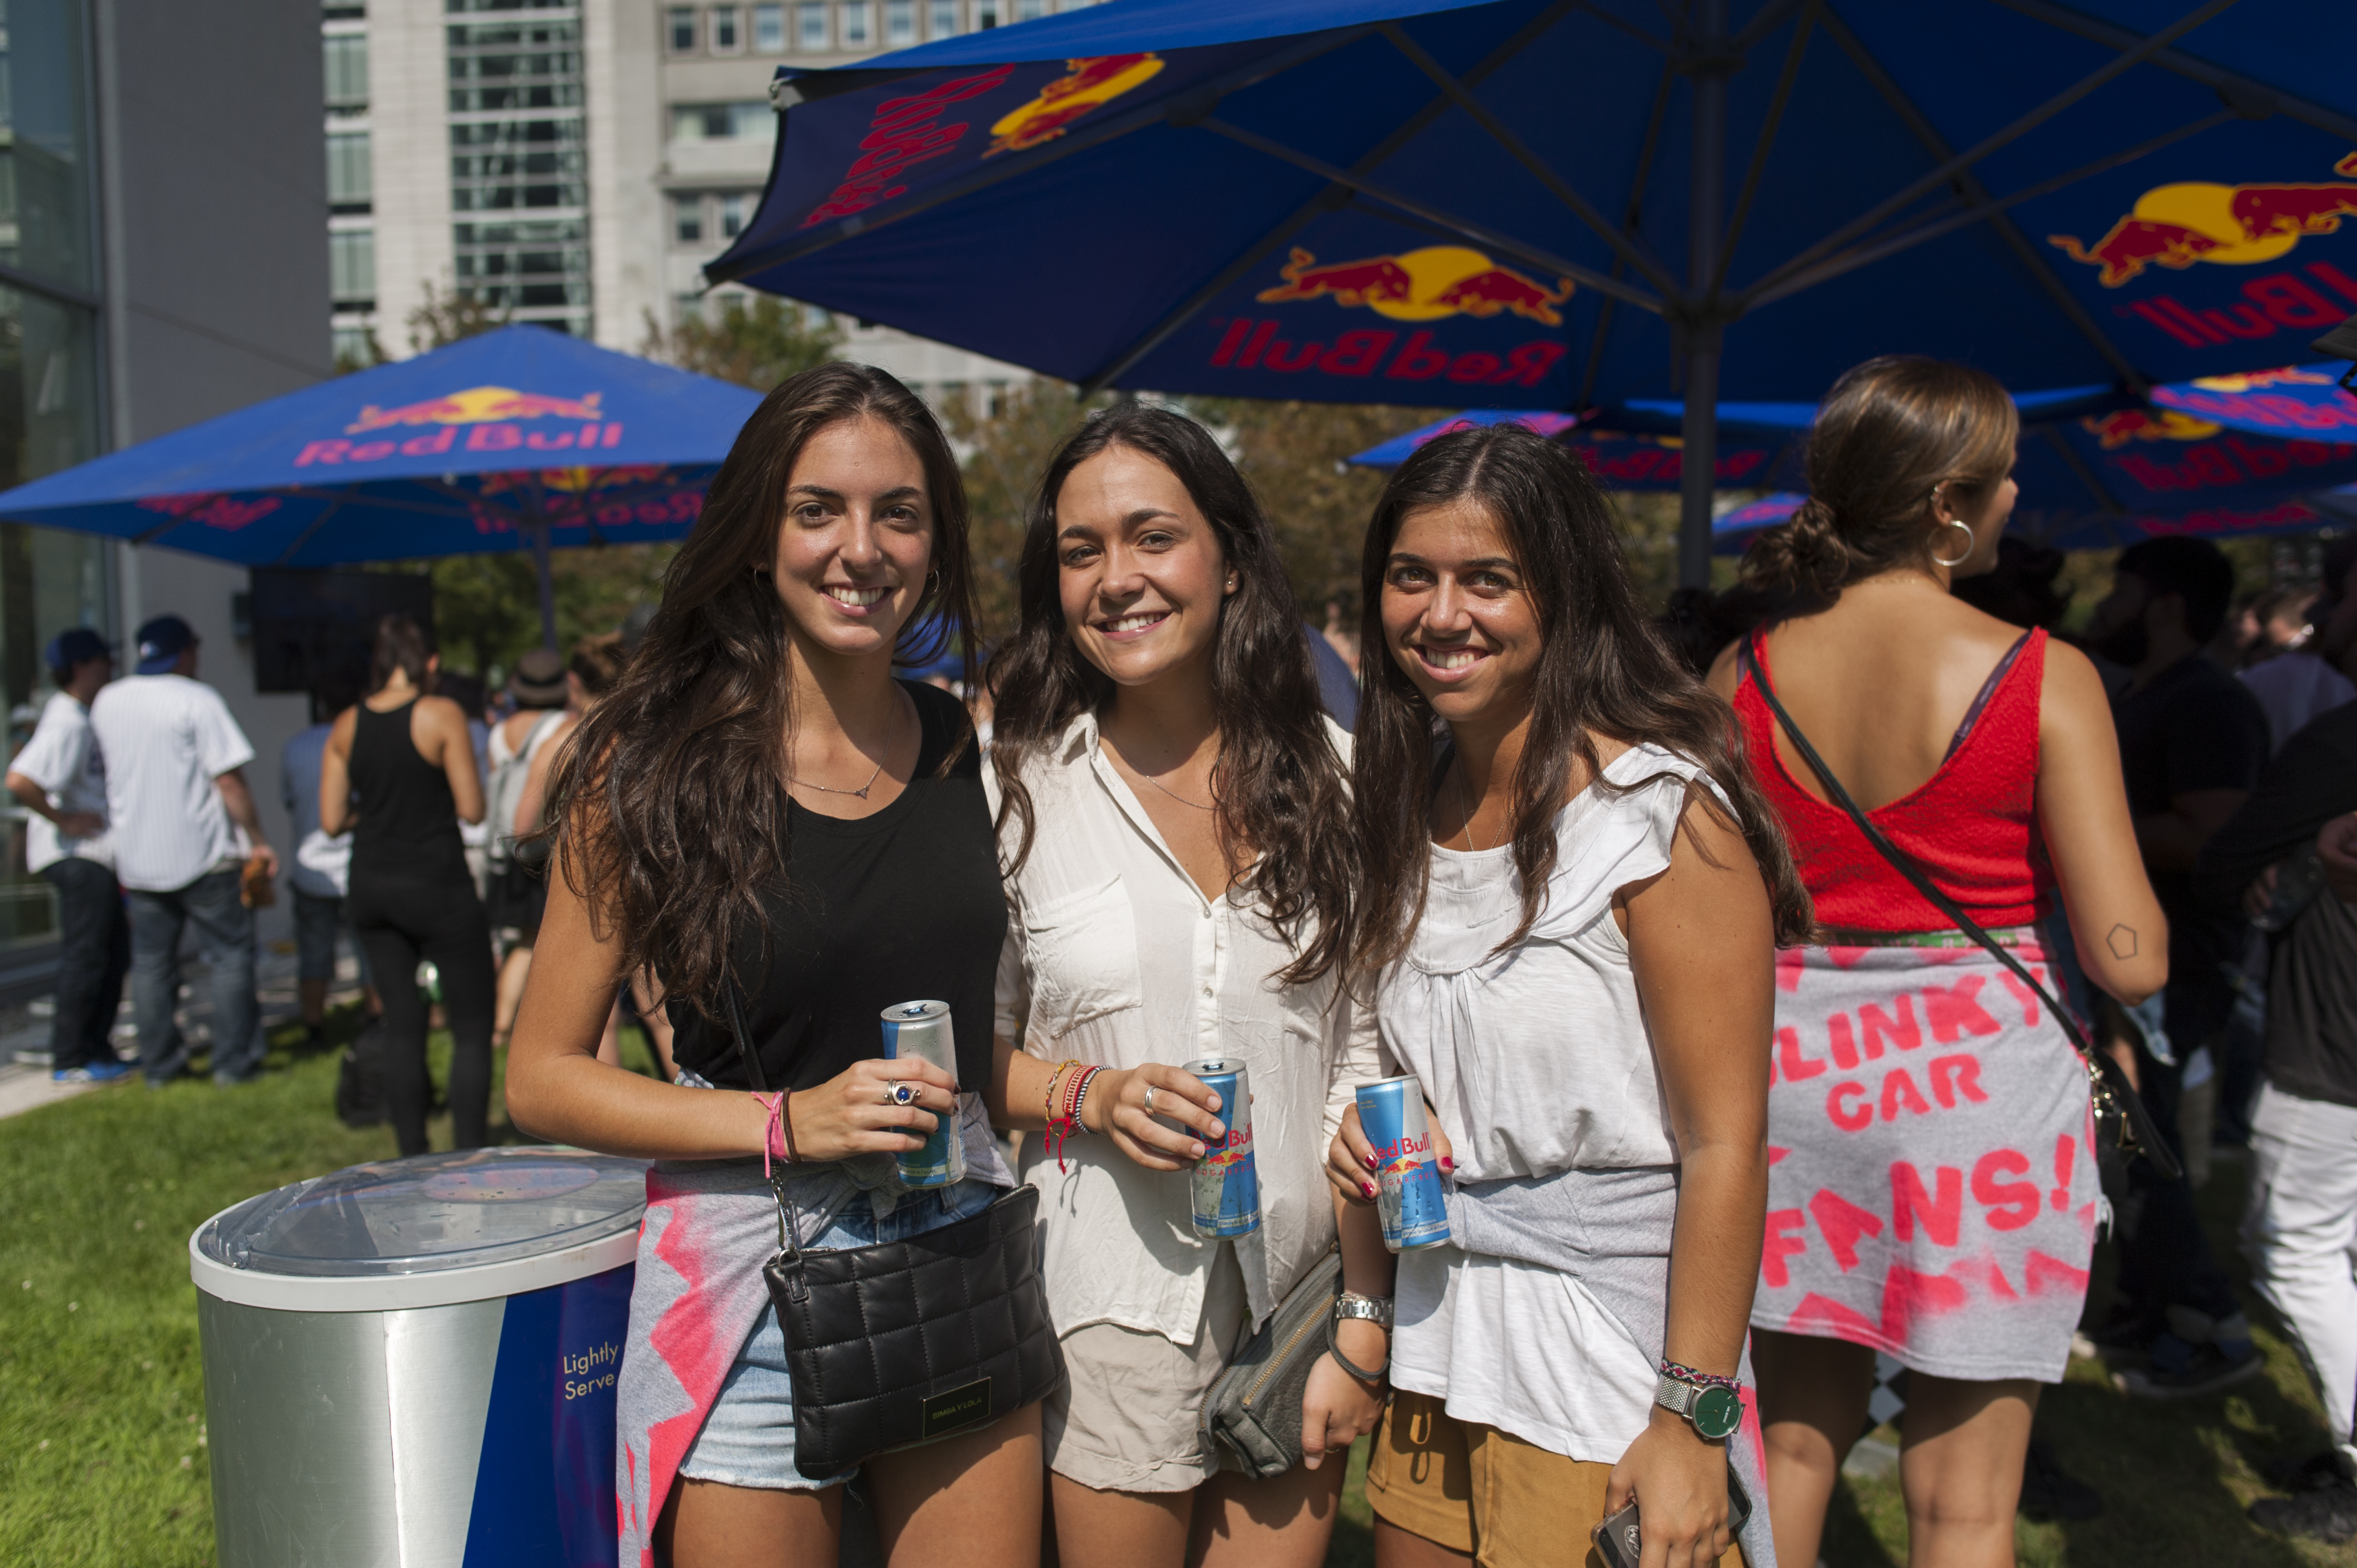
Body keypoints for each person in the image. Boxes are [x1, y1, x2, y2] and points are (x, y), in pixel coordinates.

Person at [502, 363, 1042, 1568]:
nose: (862, 549)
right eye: (818, 511)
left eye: (898, 513)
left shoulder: (963, 746)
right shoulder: (642, 771)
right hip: (753, 1276)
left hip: (959, 1251)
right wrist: (788, 1120)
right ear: (757, 536)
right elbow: (539, 1076)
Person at [1705, 357, 2167, 1568]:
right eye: (2005, 475)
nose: (2021, 493)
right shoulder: (2042, 675)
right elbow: (2128, 959)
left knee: (1787, 1452)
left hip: (1787, 1084)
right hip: (1982, 1115)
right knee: (1964, 1507)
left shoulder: (1738, 675)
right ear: (1949, 508)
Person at [1332, 422, 1802, 1568]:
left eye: (1487, 580)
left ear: (1564, 594)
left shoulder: (1658, 818)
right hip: (1445, 1341)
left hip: (1610, 1360)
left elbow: (1725, 1146)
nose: (1443, 615)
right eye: (1412, 577)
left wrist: (1692, 1419)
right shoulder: (1406, 801)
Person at [981, 406, 1386, 1567]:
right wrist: (1088, 1098)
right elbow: (968, 1054)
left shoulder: (1346, 783)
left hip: (1301, 1303)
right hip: (1109, 1303)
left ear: (1228, 557)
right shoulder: (1018, 798)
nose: (1117, 578)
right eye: (1080, 550)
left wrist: (1361, 1319)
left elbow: (1365, 1062)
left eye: (1152, 537)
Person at [2081, 535, 2270, 1395]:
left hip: (2174, 963)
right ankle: (2156, 1312)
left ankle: (2209, 1327)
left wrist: (2081, 826)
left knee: (2138, 1138)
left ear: (2162, 605)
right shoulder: (2147, 694)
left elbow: (2213, 832)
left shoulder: (2207, 704)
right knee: (2127, 1131)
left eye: (2118, 590)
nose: (2102, 608)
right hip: (2133, 957)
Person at [2194, 703, 2357, 1540]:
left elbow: (2224, 864)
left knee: (2291, 1249)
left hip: (2333, 1053)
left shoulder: (2340, 741)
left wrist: (2280, 866)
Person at [320, 615, 493, 1157]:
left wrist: (373, 814)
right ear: (432, 664)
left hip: (371, 880)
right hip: (435, 881)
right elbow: (472, 808)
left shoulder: (347, 723)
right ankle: (468, 1149)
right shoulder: (440, 714)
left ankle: (412, 1155)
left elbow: (330, 819)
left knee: (401, 1025)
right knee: (470, 1027)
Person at [89, 615, 277, 1088]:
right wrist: (257, 837)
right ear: (187, 653)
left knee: (152, 966)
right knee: (230, 958)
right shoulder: (196, 699)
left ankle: (161, 1068)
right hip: (204, 856)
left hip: (139, 859)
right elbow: (229, 780)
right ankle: (233, 1063)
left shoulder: (109, 701)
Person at [6, 628, 128, 1083]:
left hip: (94, 857)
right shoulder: (67, 722)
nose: (110, 669)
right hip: (79, 859)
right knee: (88, 958)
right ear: (80, 667)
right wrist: (63, 820)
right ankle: (71, 1057)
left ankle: (97, 1048)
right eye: (102, 660)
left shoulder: (80, 717)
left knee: (112, 956)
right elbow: (20, 780)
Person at [281, 659, 372, 1046]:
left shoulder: (295, 747)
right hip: (356, 861)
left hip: (311, 865)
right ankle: (375, 1019)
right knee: (369, 951)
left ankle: (314, 1026)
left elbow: (290, 801)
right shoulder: (363, 741)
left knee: (314, 955)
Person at [485, 648, 570, 1050]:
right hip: (536, 845)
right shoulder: (561, 726)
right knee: (530, 942)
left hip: (500, 846)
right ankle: (502, 1025)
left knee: (521, 939)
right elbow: (533, 802)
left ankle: (504, 1024)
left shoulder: (498, 732)